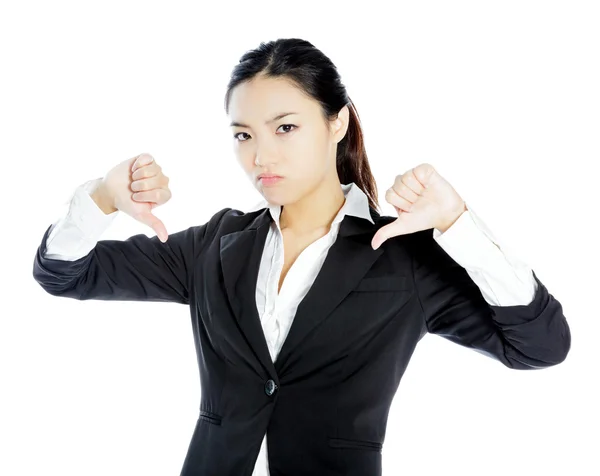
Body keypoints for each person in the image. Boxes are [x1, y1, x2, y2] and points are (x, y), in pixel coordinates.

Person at [32, 38, 571, 476]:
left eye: (285, 127)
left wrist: (457, 223)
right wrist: (103, 196)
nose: (260, 156)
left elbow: (540, 347)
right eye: (244, 134)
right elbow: (62, 273)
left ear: (336, 123)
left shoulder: (402, 258)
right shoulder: (213, 246)